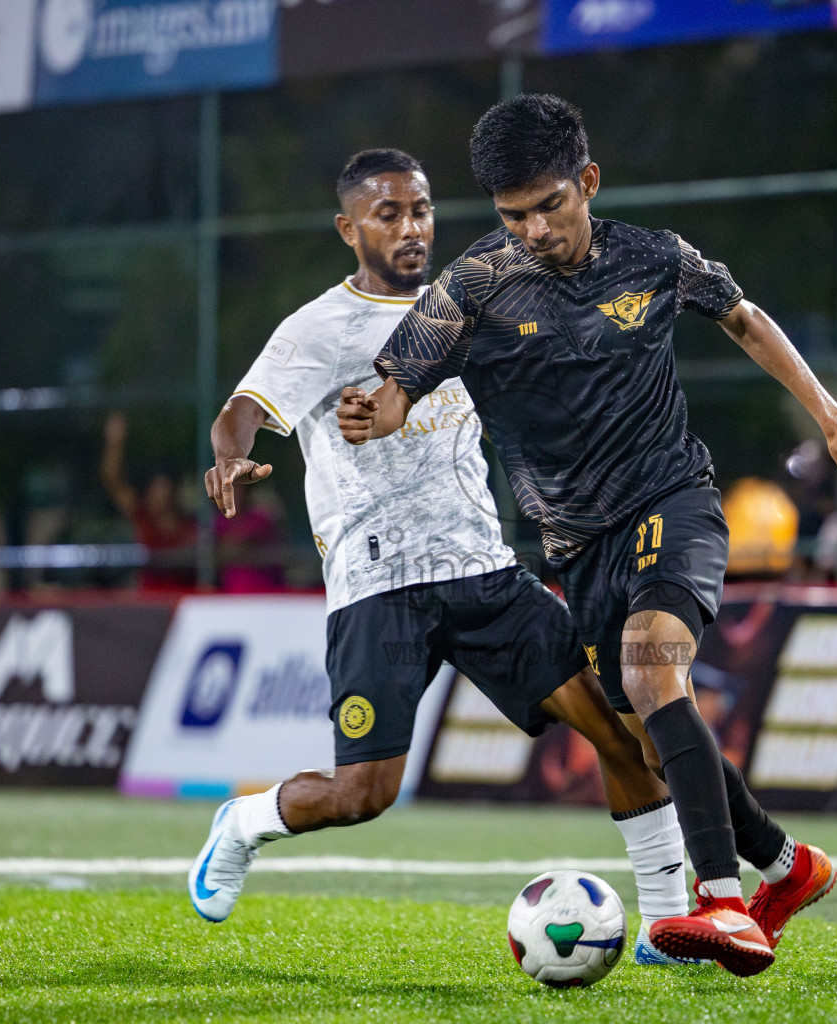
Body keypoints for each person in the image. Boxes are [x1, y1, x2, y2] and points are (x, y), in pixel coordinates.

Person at [340, 96, 837, 975]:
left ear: (587, 183)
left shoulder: (654, 256)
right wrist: (377, 412)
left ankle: (723, 904)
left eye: (548, 206)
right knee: (647, 735)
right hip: (577, 546)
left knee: (650, 666)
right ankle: (789, 868)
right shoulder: (472, 286)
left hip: (672, 498)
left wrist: (832, 421)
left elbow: (745, 317)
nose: (531, 229)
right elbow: (401, 382)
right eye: (512, 214)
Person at [187, 149, 700, 966]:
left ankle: (671, 925)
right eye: (387, 213)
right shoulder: (318, 327)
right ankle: (245, 822)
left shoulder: (474, 301)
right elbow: (242, 409)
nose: (411, 226)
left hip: (483, 572)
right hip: (377, 586)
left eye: (420, 209)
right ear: (348, 228)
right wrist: (229, 456)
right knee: (363, 796)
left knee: (617, 730)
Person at [101, 411, 198, 591]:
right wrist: (114, 443)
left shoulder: (189, 523)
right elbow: (112, 481)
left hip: (187, 601)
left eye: (166, 487)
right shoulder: (143, 516)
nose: (163, 495)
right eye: (157, 488)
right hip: (152, 602)